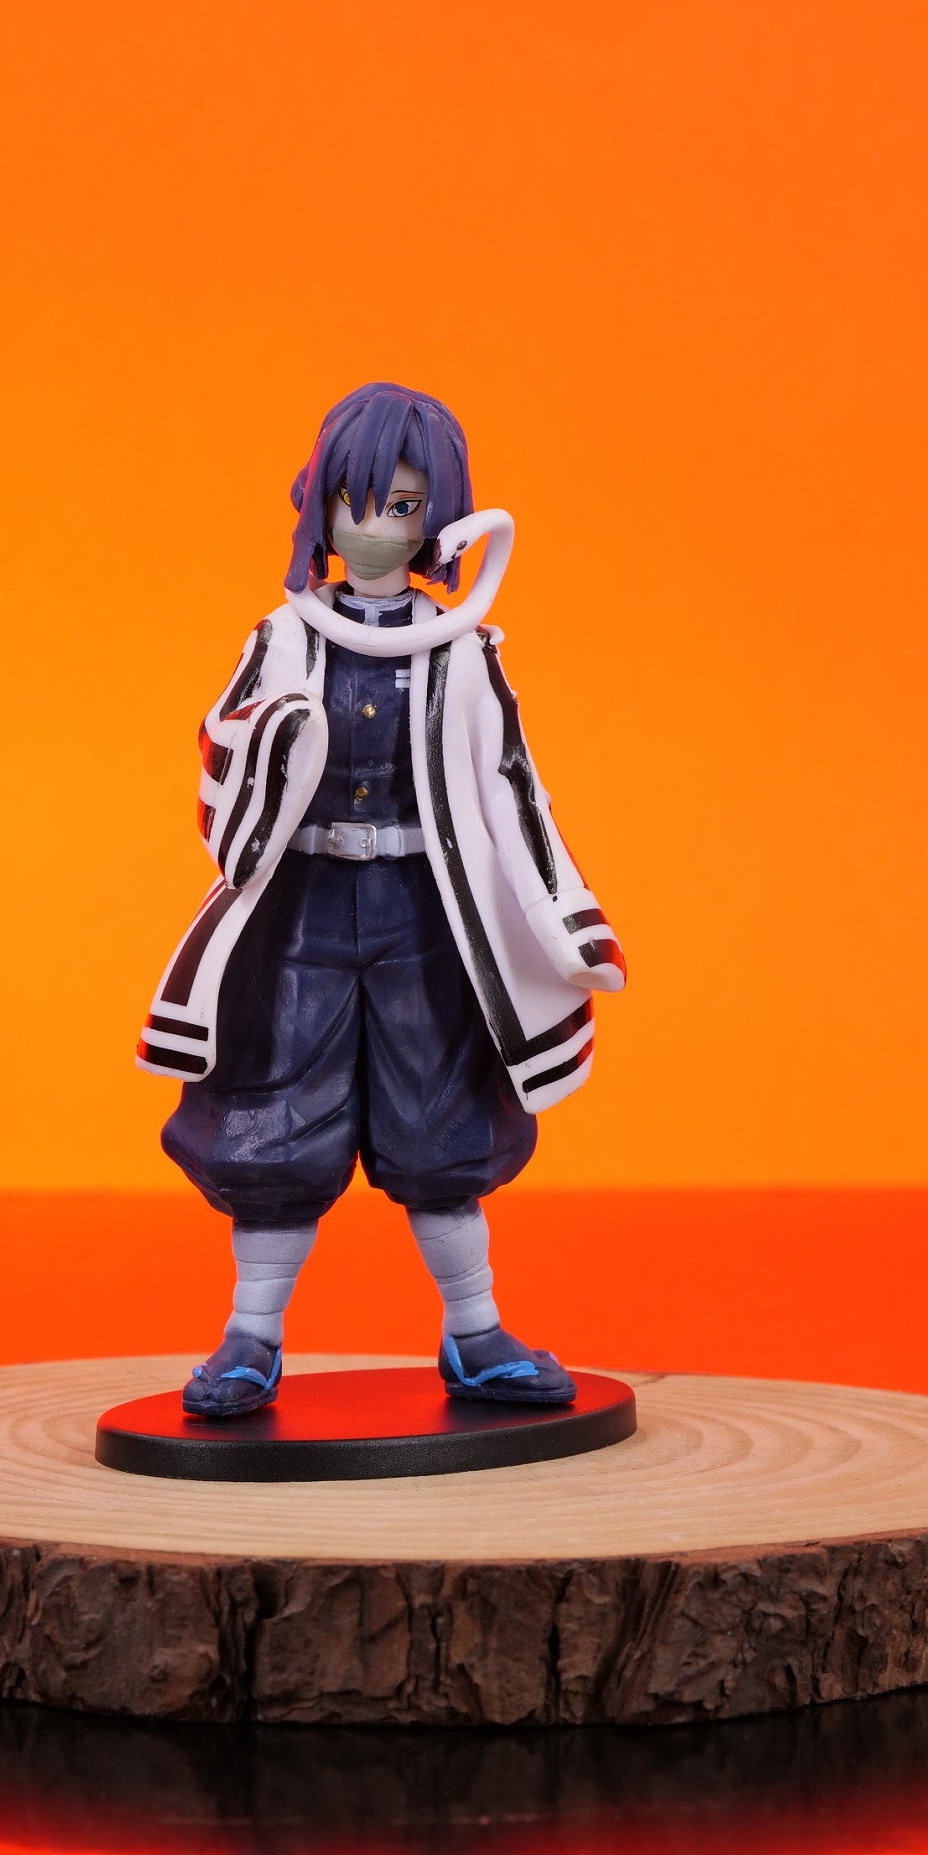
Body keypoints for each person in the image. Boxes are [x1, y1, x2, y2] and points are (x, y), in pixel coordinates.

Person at [137, 383, 625, 1417]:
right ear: (318, 504)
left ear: (437, 518)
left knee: (441, 1122)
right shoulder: (281, 638)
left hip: (423, 916)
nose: (374, 526)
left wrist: (567, 918)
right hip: (302, 913)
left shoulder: (463, 651)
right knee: (274, 1117)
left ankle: (474, 1330)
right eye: (355, 501)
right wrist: (274, 740)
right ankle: (251, 1336)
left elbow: (514, 788)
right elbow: (219, 758)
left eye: (401, 505)